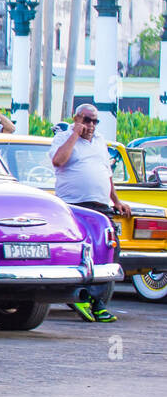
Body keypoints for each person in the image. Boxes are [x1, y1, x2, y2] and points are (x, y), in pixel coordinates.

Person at [50, 103, 131, 322]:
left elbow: (106, 174)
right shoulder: (64, 138)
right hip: (77, 206)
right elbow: (58, 160)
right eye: (86, 120)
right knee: (84, 252)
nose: (91, 125)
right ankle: (82, 297)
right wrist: (75, 134)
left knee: (109, 251)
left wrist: (116, 200)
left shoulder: (100, 142)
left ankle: (99, 303)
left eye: (95, 121)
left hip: (101, 207)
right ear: (76, 118)